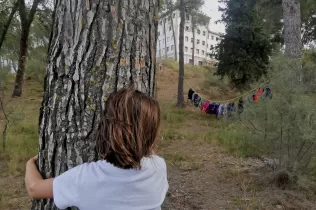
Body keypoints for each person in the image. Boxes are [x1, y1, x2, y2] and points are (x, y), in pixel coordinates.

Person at [25, 87, 169, 210]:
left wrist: (30, 163)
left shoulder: (86, 178)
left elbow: (34, 188)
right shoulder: (159, 168)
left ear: (106, 127)